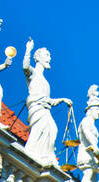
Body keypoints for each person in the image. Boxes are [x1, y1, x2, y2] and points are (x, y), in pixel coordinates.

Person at [22, 39, 71, 167]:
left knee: (52, 130)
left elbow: (48, 100)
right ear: (38, 57)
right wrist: (28, 49)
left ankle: (45, 155)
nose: (49, 58)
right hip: (37, 109)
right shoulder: (33, 73)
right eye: (47, 55)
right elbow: (25, 66)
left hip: (45, 109)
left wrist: (61, 100)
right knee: (40, 130)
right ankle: (30, 154)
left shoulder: (45, 81)